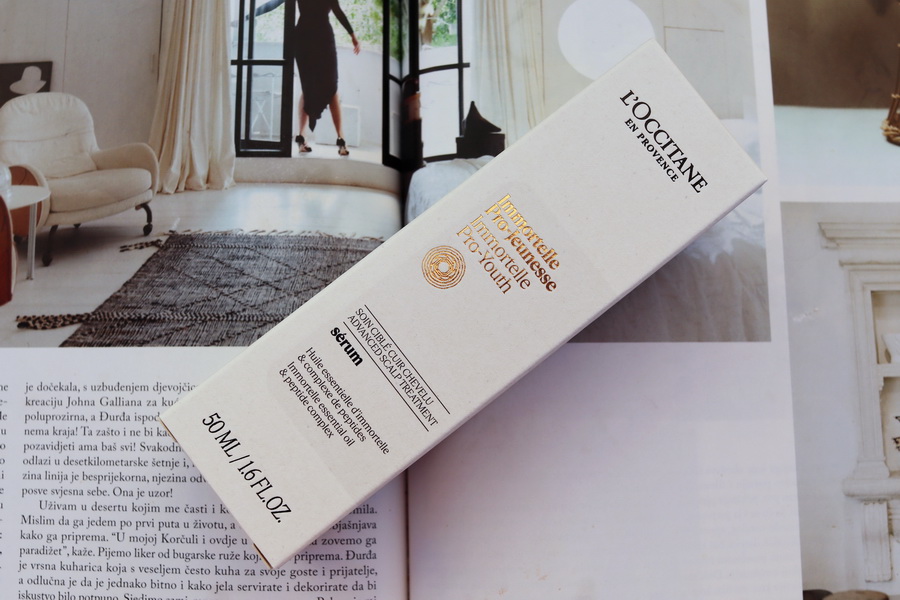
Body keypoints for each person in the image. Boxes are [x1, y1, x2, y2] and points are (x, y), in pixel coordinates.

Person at [255, 0, 361, 156]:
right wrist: (352, 35)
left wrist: (247, 16)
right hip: (320, 37)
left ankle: (304, 137)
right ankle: (337, 139)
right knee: (328, 88)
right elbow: (337, 10)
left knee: (314, 87)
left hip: (306, 38)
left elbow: (274, 3)